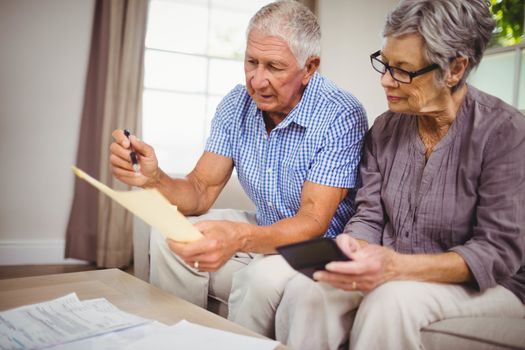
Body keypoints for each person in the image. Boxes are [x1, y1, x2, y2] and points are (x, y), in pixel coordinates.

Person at [274, 0, 525, 349]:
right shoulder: (384, 129)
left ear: (454, 69)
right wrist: (354, 245)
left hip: (489, 286)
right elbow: (369, 216)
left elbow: (497, 251)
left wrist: (398, 267)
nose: (384, 80)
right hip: (396, 271)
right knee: (309, 288)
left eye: (403, 70)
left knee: (390, 302)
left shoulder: (506, 132)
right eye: (384, 63)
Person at [109, 0, 367, 338]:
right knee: (170, 234)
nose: (257, 80)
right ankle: (178, 340)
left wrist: (240, 238)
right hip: (267, 223)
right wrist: (153, 178)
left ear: (309, 68)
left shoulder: (340, 114)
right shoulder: (237, 103)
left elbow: (312, 222)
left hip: (318, 243)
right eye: (251, 62)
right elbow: (201, 190)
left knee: (256, 278)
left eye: (274, 66)